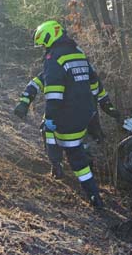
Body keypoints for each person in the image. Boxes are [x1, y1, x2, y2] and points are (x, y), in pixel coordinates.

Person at [13, 20, 106, 209]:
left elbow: (54, 95)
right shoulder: (77, 53)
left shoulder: (54, 58)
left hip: (68, 114)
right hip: (86, 113)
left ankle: (89, 191)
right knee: (76, 146)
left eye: (44, 44)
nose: (43, 48)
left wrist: (50, 118)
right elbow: (42, 79)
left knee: (68, 149)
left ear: (49, 38)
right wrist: (25, 100)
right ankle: (79, 165)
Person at [14, 70, 123, 178]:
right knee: (52, 134)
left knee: (74, 142)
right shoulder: (58, 70)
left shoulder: (86, 73)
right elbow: (35, 84)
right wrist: (24, 102)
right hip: (62, 116)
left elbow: (102, 96)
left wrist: (112, 111)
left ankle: (81, 167)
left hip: (76, 117)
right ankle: (59, 165)